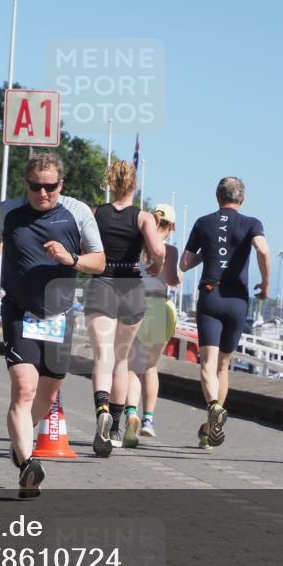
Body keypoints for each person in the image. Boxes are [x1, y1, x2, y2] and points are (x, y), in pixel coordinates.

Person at [0, 153, 105, 497]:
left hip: (60, 316)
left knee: (47, 394)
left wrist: (70, 258)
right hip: (19, 311)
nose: (42, 194)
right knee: (24, 389)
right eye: (35, 186)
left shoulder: (77, 214)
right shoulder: (9, 211)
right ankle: (29, 463)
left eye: (50, 187)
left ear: (61, 184)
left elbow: (100, 262)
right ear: (26, 183)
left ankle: (20, 442)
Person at [179, 176, 270, 449]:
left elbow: (184, 263)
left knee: (207, 363)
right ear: (242, 199)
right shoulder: (252, 223)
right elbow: (263, 251)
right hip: (237, 299)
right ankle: (209, 428)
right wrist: (265, 285)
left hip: (211, 295)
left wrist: (208, 252)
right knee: (223, 365)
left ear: (217, 197)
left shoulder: (203, 222)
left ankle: (214, 408)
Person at [85, 161, 164, 456]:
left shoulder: (95, 213)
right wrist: (157, 264)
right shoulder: (143, 217)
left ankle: (102, 409)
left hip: (102, 283)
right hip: (131, 286)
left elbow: (81, 244)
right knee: (121, 360)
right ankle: (115, 428)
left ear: (109, 184)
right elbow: (157, 250)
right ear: (134, 186)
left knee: (102, 355)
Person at [123, 204, 180, 446]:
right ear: (172, 226)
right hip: (159, 307)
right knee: (151, 368)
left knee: (132, 367)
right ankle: (148, 420)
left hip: (136, 305)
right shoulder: (170, 250)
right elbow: (173, 280)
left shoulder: (137, 248)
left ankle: (131, 415)